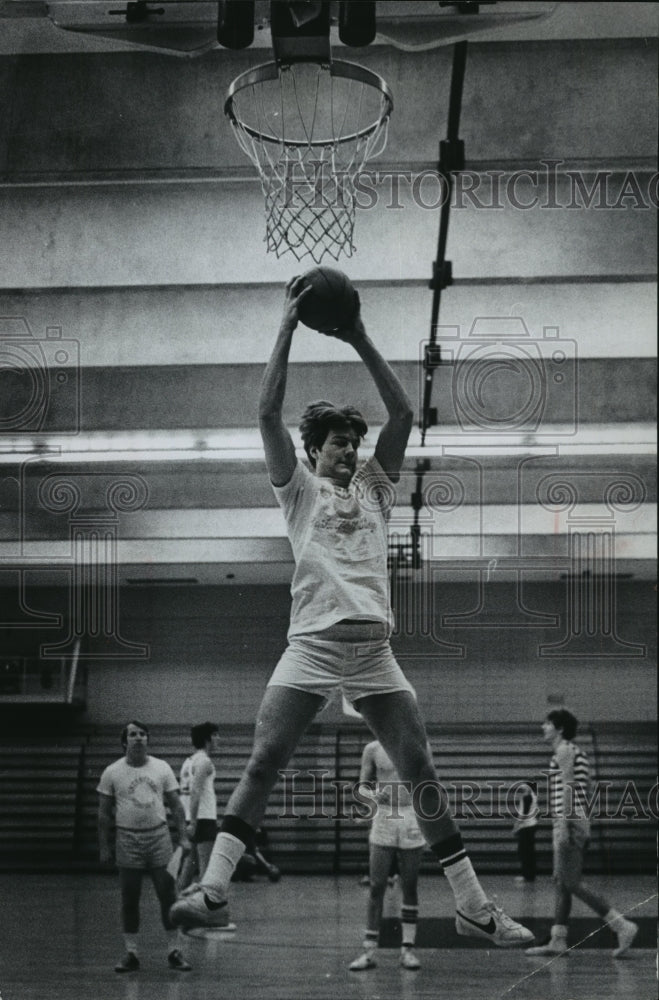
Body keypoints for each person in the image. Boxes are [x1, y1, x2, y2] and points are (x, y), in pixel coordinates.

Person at [171, 276, 533, 950]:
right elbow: (264, 412)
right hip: (310, 642)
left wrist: (356, 334)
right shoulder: (298, 491)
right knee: (262, 762)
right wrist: (285, 325)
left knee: (419, 769)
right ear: (314, 451)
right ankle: (213, 888)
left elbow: (402, 416)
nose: (348, 449)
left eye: (350, 443)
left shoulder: (375, 489)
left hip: (374, 649)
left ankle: (473, 906)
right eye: (337, 442)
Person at [525, 709, 638, 958]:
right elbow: (584, 790)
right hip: (575, 820)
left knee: (571, 882)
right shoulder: (575, 753)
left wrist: (565, 824)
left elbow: (568, 787)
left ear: (560, 728)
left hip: (570, 822)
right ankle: (558, 940)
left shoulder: (565, 750)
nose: (543, 727)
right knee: (562, 883)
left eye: (547, 723)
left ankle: (621, 925)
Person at [97, 720, 193, 973]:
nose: (138, 738)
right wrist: (104, 846)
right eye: (133, 734)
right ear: (124, 741)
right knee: (130, 898)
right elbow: (104, 813)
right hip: (127, 840)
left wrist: (182, 836)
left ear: (147, 740)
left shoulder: (161, 768)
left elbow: (176, 805)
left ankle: (174, 951)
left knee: (167, 895)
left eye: (142, 734)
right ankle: (131, 954)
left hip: (159, 838)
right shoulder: (112, 772)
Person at [349, 740, 427, 971]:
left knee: (410, 885)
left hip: (410, 814)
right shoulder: (372, 749)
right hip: (384, 816)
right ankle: (369, 951)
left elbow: (429, 781)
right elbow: (362, 786)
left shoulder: (418, 744)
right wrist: (372, 795)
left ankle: (407, 950)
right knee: (376, 886)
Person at [177, 722, 221, 890]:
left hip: (192, 818)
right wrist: (195, 822)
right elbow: (195, 792)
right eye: (215, 735)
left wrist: (190, 821)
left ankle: (178, 904)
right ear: (207, 739)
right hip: (203, 820)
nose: (218, 739)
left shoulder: (188, 761)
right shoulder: (204, 762)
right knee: (206, 870)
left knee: (188, 868)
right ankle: (205, 910)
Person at [512, 781, 538, 884]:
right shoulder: (534, 797)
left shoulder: (526, 797)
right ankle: (531, 875)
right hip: (532, 825)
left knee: (523, 852)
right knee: (530, 852)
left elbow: (523, 814)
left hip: (526, 827)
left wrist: (516, 827)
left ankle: (526, 875)